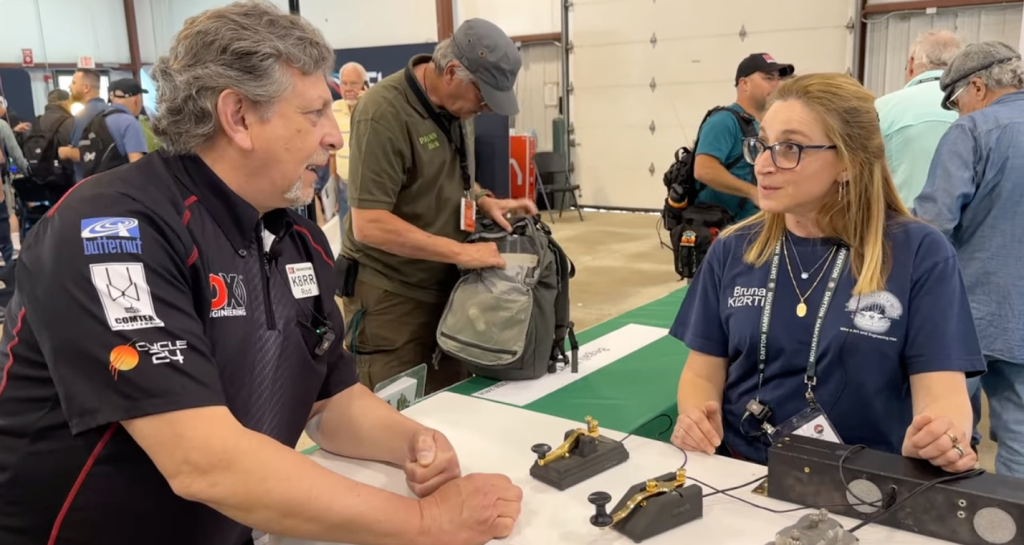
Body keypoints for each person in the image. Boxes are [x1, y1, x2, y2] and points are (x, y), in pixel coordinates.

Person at [0, 3, 521, 545]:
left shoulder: (294, 238)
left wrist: (413, 440)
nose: (335, 137)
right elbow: (203, 462)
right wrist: (427, 523)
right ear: (239, 117)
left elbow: (330, 400)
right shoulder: (113, 232)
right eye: (314, 113)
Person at [668, 72, 984, 473]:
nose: (763, 165)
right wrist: (696, 419)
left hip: (863, 481)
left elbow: (942, 392)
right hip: (744, 473)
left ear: (849, 163)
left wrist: (940, 435)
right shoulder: (733, 249)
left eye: (789, 148)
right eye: (762, 145)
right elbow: (701, 373)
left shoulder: (919, 253)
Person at [339, 18, 537, 394]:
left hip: (447, 292)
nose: (486, 108)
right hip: (392, 299)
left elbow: (447, 176)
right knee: (393, 421)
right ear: (451, 73)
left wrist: (483, 201)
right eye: (483, 96)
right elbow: (370, 224)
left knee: (451, 408)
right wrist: (461, 252)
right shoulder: (383, 113)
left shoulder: (456, 107)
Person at [914, 41, 1024, 478]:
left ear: (977, 86)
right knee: (1019, 433)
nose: (957, 110)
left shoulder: (973, 131)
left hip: (968, 314)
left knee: (950, 432)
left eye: (956, 99)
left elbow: (932, 226)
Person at [692, 53, 794, 223]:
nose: (777, 84)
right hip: (725, 230)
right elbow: (704, 170)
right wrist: (753, 192)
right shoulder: (724, 121)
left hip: (756, 226)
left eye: (778, 78)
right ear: (744, 84)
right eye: (768, 78)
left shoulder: (766, 123)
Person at [875, 29, 962, 206]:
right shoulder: (974, 109)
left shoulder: (881, 108)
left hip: (896, 222)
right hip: (959, 225)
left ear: (912, 63)